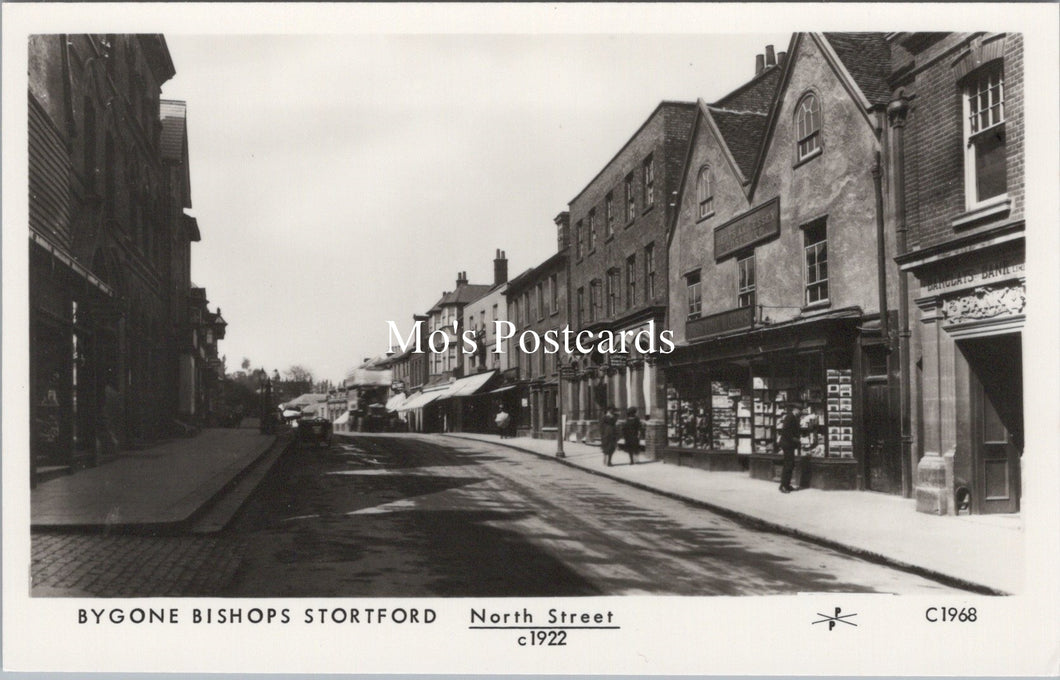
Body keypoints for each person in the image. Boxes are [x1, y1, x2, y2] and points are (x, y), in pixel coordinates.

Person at [777, 402, 802, 493]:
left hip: (789, 444)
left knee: (790, 465)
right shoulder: (790, 417)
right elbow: (786, 432)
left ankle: (786, 485)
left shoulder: (794, 417)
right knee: (788, 465)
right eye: (800, 410)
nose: (800, 412)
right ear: (795, 410)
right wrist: (796, 440)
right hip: (787, 444)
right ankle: (783, 486)